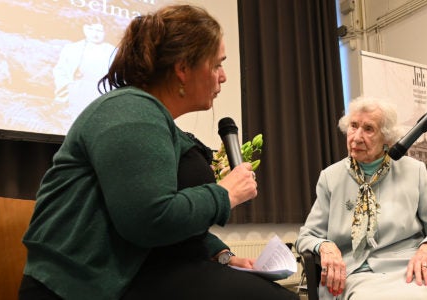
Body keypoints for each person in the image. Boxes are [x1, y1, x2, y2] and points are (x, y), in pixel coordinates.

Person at [19, 5, 298, 300]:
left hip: (138, 273)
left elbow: (167, 222)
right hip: (83, 288)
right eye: (217, 65)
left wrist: (220, 254)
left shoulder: (153, 118)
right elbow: (149, 220)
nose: (224, 76)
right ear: (182, 68)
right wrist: (224, 194)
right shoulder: (130, 111)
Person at [296, 96, 427, 299]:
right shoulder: (331, 177)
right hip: (355, 273)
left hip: (409, 270)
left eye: (368, 129)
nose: (356, 137)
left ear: (387, 138)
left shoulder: (414, 171)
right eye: (353, 126)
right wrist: (325, 246)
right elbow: (307, 236)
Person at [52, 15, 116, 127]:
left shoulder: (113, 51)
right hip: (76, 91)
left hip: (100, 92)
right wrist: (67, 88)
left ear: (105, 32)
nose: (95, 34)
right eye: (91, 29)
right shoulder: (71, 48)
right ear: (85, 29)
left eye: (99, 30)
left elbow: (117, 75)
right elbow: (60, 70)